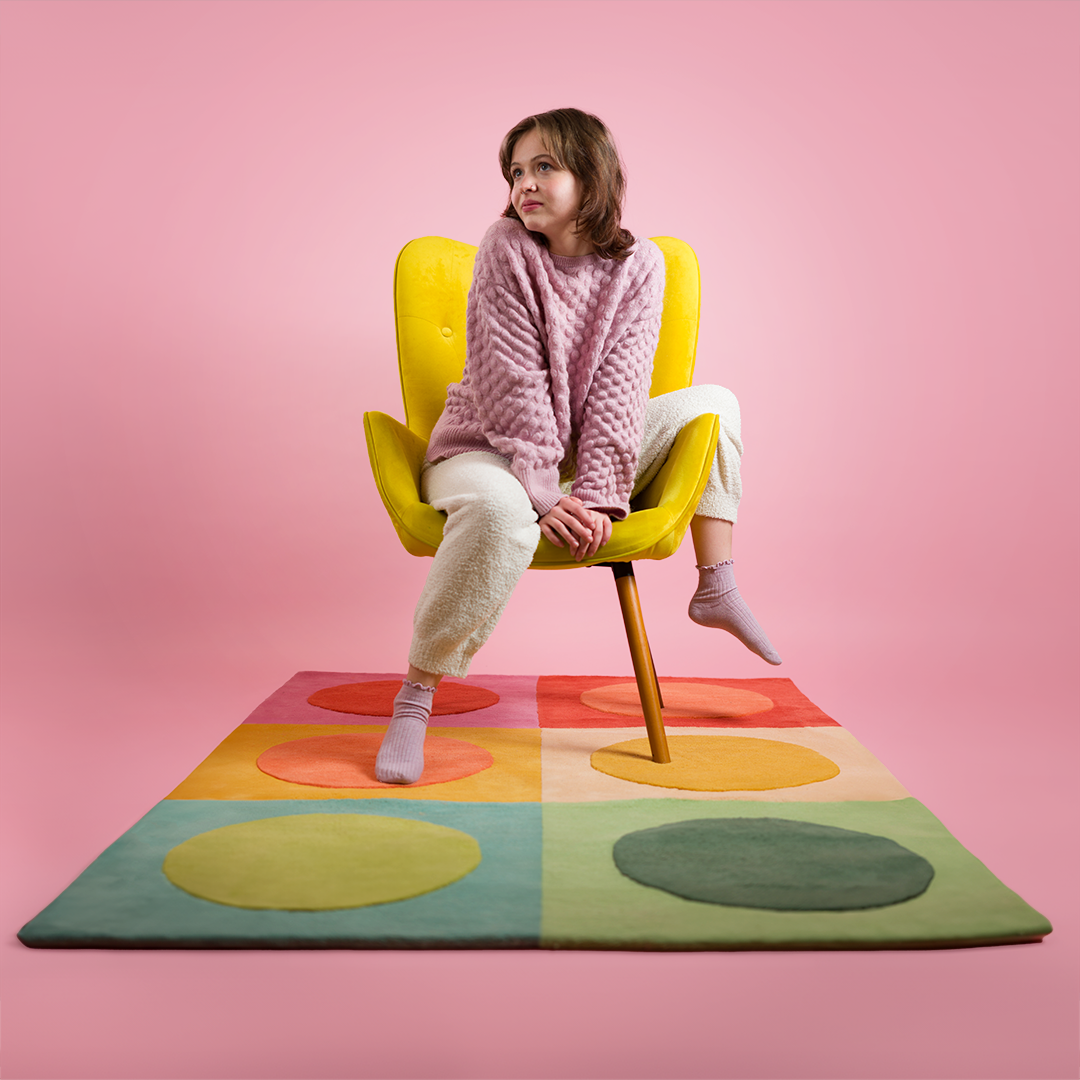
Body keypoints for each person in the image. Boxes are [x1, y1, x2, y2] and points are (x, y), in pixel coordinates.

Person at [375, 108, 780, 784]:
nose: (523, 185)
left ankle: (717, 585)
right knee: (503, 515)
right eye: (515, 172)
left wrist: (595, 496)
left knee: (715, 402)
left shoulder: (639, 264)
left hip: (569, 460)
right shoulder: (506, 247)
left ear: (590, 175)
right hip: (483, 450)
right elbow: (511, 381)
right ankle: (415, 698)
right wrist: (538, 493)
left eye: (543, 167)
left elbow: (622, 388)